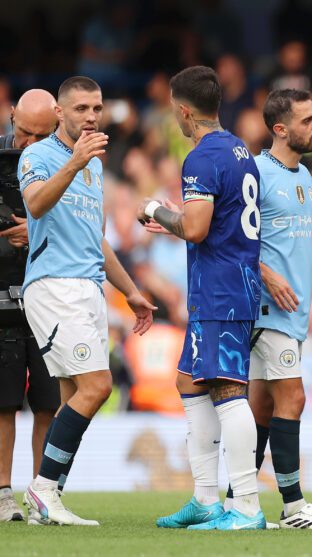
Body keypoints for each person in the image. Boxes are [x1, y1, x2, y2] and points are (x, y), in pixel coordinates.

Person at [20, 76, 156, 526]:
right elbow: (36, 204)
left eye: (97, 108)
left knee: (73, 398)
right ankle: (42, 489)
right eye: (81, 108)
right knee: (97, 387)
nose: (92, 116)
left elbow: (95, 239)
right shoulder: (37, 155)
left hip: (90, 287)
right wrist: (75, 161)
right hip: (54, 285)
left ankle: (48, 501)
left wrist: (130, 290)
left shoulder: (94, 166)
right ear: (60, 113)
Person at [140, 66, 264, 531]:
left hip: (221, 290)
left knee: (228, 391)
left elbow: (195, 229)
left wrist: (156, 210)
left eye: (174, 112)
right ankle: (206, 499)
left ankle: (246, 506)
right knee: (189, 382)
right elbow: (212, 220)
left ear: (184, 111)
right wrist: (180, 218)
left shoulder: (201, 157)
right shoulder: (240, 150)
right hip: (226, 286)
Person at [223, 88, 312, 529]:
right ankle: (294, 506)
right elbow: (232, 239)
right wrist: (266, 275)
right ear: (280, 129)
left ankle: (236, 499)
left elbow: (295, 234)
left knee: (261, 408)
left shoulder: (304, 176)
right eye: (307, 120)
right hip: (266, 307)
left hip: (293, 310)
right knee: (292, 397)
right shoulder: (255, 173)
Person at [0, 89, 58, 523]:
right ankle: (3, 493)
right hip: (2, 299)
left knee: (48, 404)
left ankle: (44, 495)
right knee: (3, 404)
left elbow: (86, 231)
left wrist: (35, 231)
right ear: (11, 118)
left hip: (49, 298)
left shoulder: (67, 165)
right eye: (25, 133)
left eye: (42, 136)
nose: (31, 144)